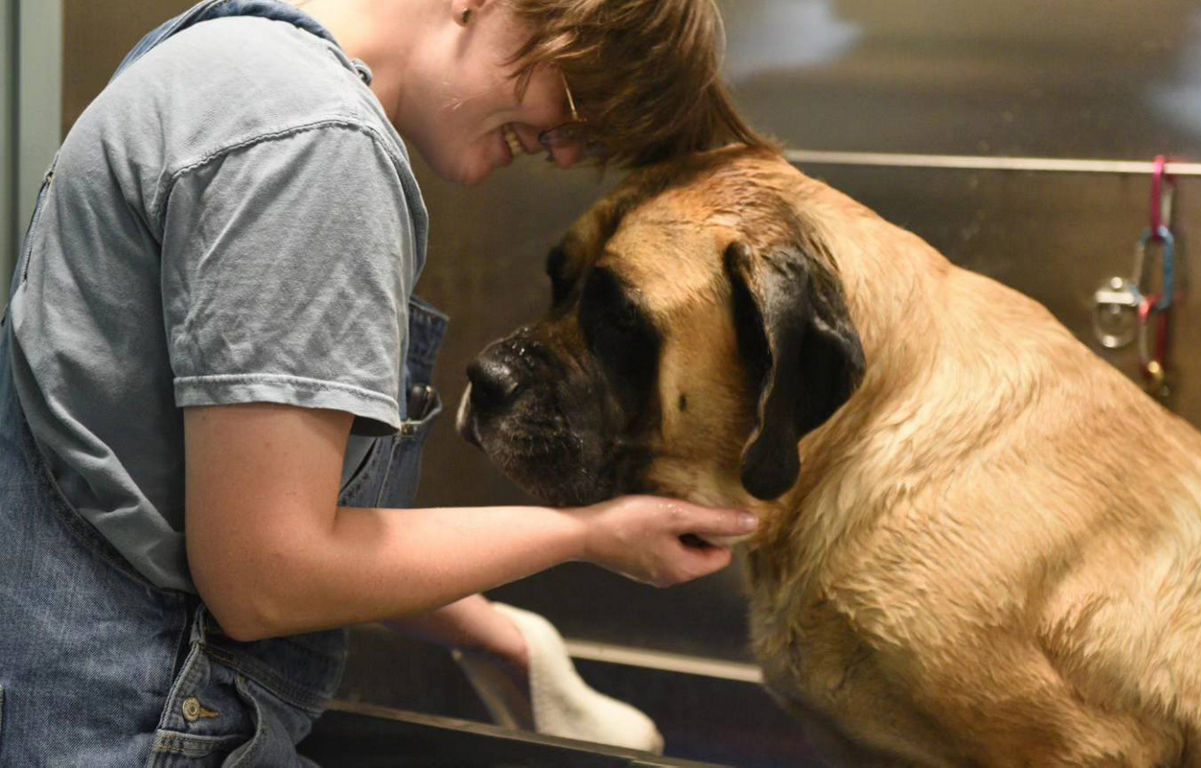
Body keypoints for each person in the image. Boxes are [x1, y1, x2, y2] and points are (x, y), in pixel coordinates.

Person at [0, 0, 769, 765]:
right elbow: (265, 577)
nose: (565, 151)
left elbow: (210, 504)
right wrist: (590, 535)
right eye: (578, 94)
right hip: (135, 730)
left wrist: (498, 637)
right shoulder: (316, 148)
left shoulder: (218, 59)